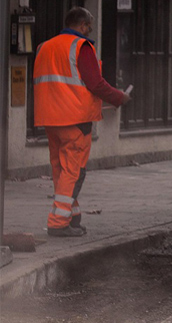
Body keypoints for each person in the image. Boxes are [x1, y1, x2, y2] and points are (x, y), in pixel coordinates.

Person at [33, 7, 131, 237]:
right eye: (89, 26)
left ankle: (71, 216)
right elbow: (95, 84)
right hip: (75, 119)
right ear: (83, 25)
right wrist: (119, 97)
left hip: (50, 118)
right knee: (74, 172)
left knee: (61, 169)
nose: (90, 31)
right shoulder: (81, 47)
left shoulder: (44, 47)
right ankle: (58, 223)